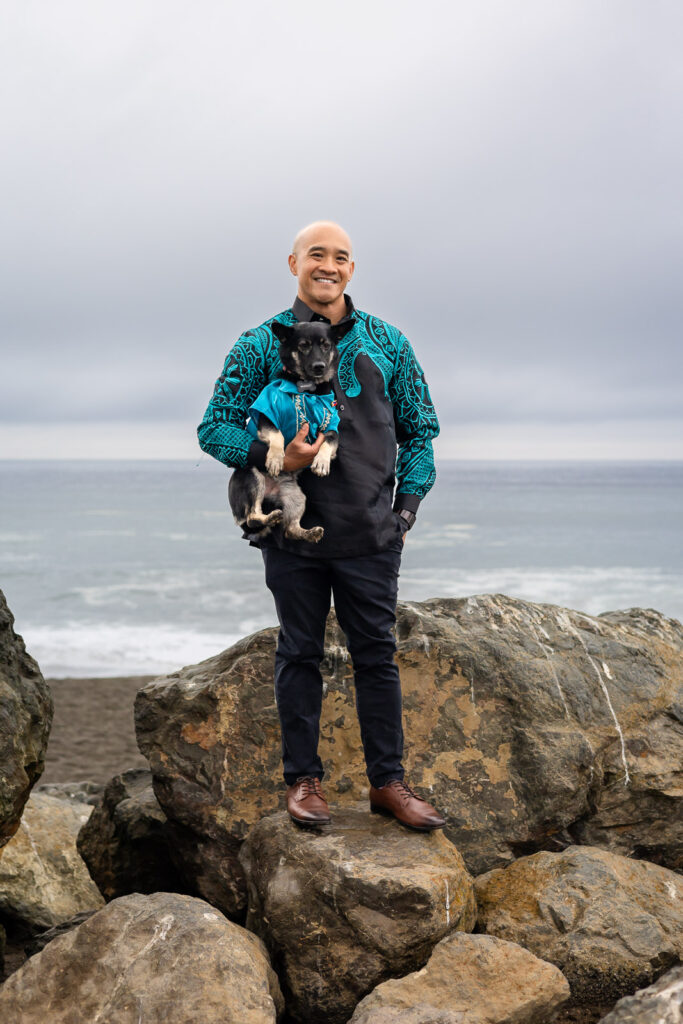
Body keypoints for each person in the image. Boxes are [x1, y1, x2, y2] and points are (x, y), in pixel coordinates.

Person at [197, 220, 446, 831]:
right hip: (291, 534)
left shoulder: (387, 342)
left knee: (377, 659)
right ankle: (303, 782)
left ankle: (388, 783)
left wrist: (406, 510)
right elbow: (215, 427)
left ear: (351, 270)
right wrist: (276, 459)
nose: (328, 265)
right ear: (294, 264)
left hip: (370, 533)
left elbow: (422, 433)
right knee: (300, 654)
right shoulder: (259, 344)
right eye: (316, 255)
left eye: (340, 257)